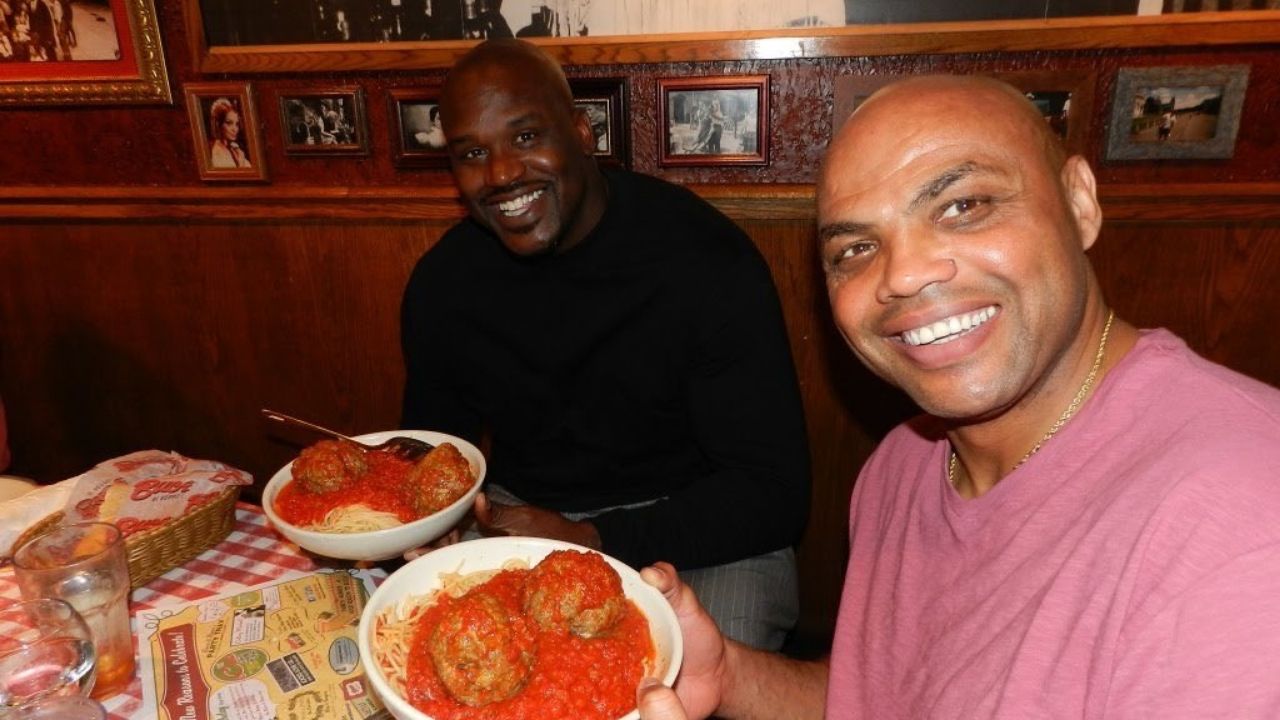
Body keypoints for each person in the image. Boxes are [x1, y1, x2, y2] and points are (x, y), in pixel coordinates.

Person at [637, 74, 1280, 719]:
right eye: (857, 248)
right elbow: (883, 699)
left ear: (1079, 202)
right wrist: (726, 676)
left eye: (963, 206)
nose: (905, 273)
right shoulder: (902, 465)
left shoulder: (1243, 521)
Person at [400, 38, 811, 651]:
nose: (502, 174)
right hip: (522, 516)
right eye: (472, 153)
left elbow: (771, 495)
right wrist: (433, 523)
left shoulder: (704, 262)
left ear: (581, 132)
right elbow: (437, 454)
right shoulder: (444, 285)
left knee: (706, 687)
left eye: (527, 137)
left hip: (704, 531)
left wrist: (590, 536)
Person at [208, 97, 251, 169]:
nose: (235, 129)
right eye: (229, 123)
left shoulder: (234, 149)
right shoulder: (216, 153)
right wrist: (241, 164)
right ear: (218, 124)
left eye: (236, 124)